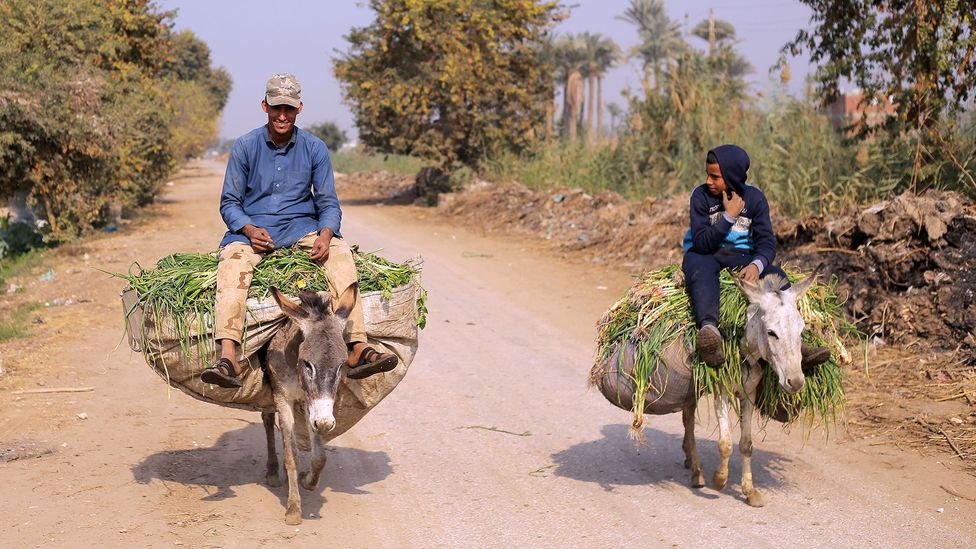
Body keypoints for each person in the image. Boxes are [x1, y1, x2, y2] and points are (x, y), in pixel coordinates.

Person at [200, 73, 398, 389]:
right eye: (276, 108)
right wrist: (249, 229)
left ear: (299, 109)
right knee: (232, 266)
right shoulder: (245, 147)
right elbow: (229, 203)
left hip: (301, 229)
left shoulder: (314, 148)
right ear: (264, 106)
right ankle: (229, 357)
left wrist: (325, 233)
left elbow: (329, 202)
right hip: (253, 234)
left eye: (288, 110)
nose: (282, 116)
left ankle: (357, 347)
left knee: (340, 253)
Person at [682, 144, 830, 369]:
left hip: (742, 256)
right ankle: (709, 332)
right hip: (707, 254)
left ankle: (797, 346)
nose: (709, 181)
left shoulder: (755, 199)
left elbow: (766, 243)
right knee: (697, 267)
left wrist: (756, 265)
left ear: (732, 177)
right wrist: (729, 216)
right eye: (707, 175)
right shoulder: (700, 197)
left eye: (715, 176)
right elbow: (701, 243)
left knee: (778, 276)